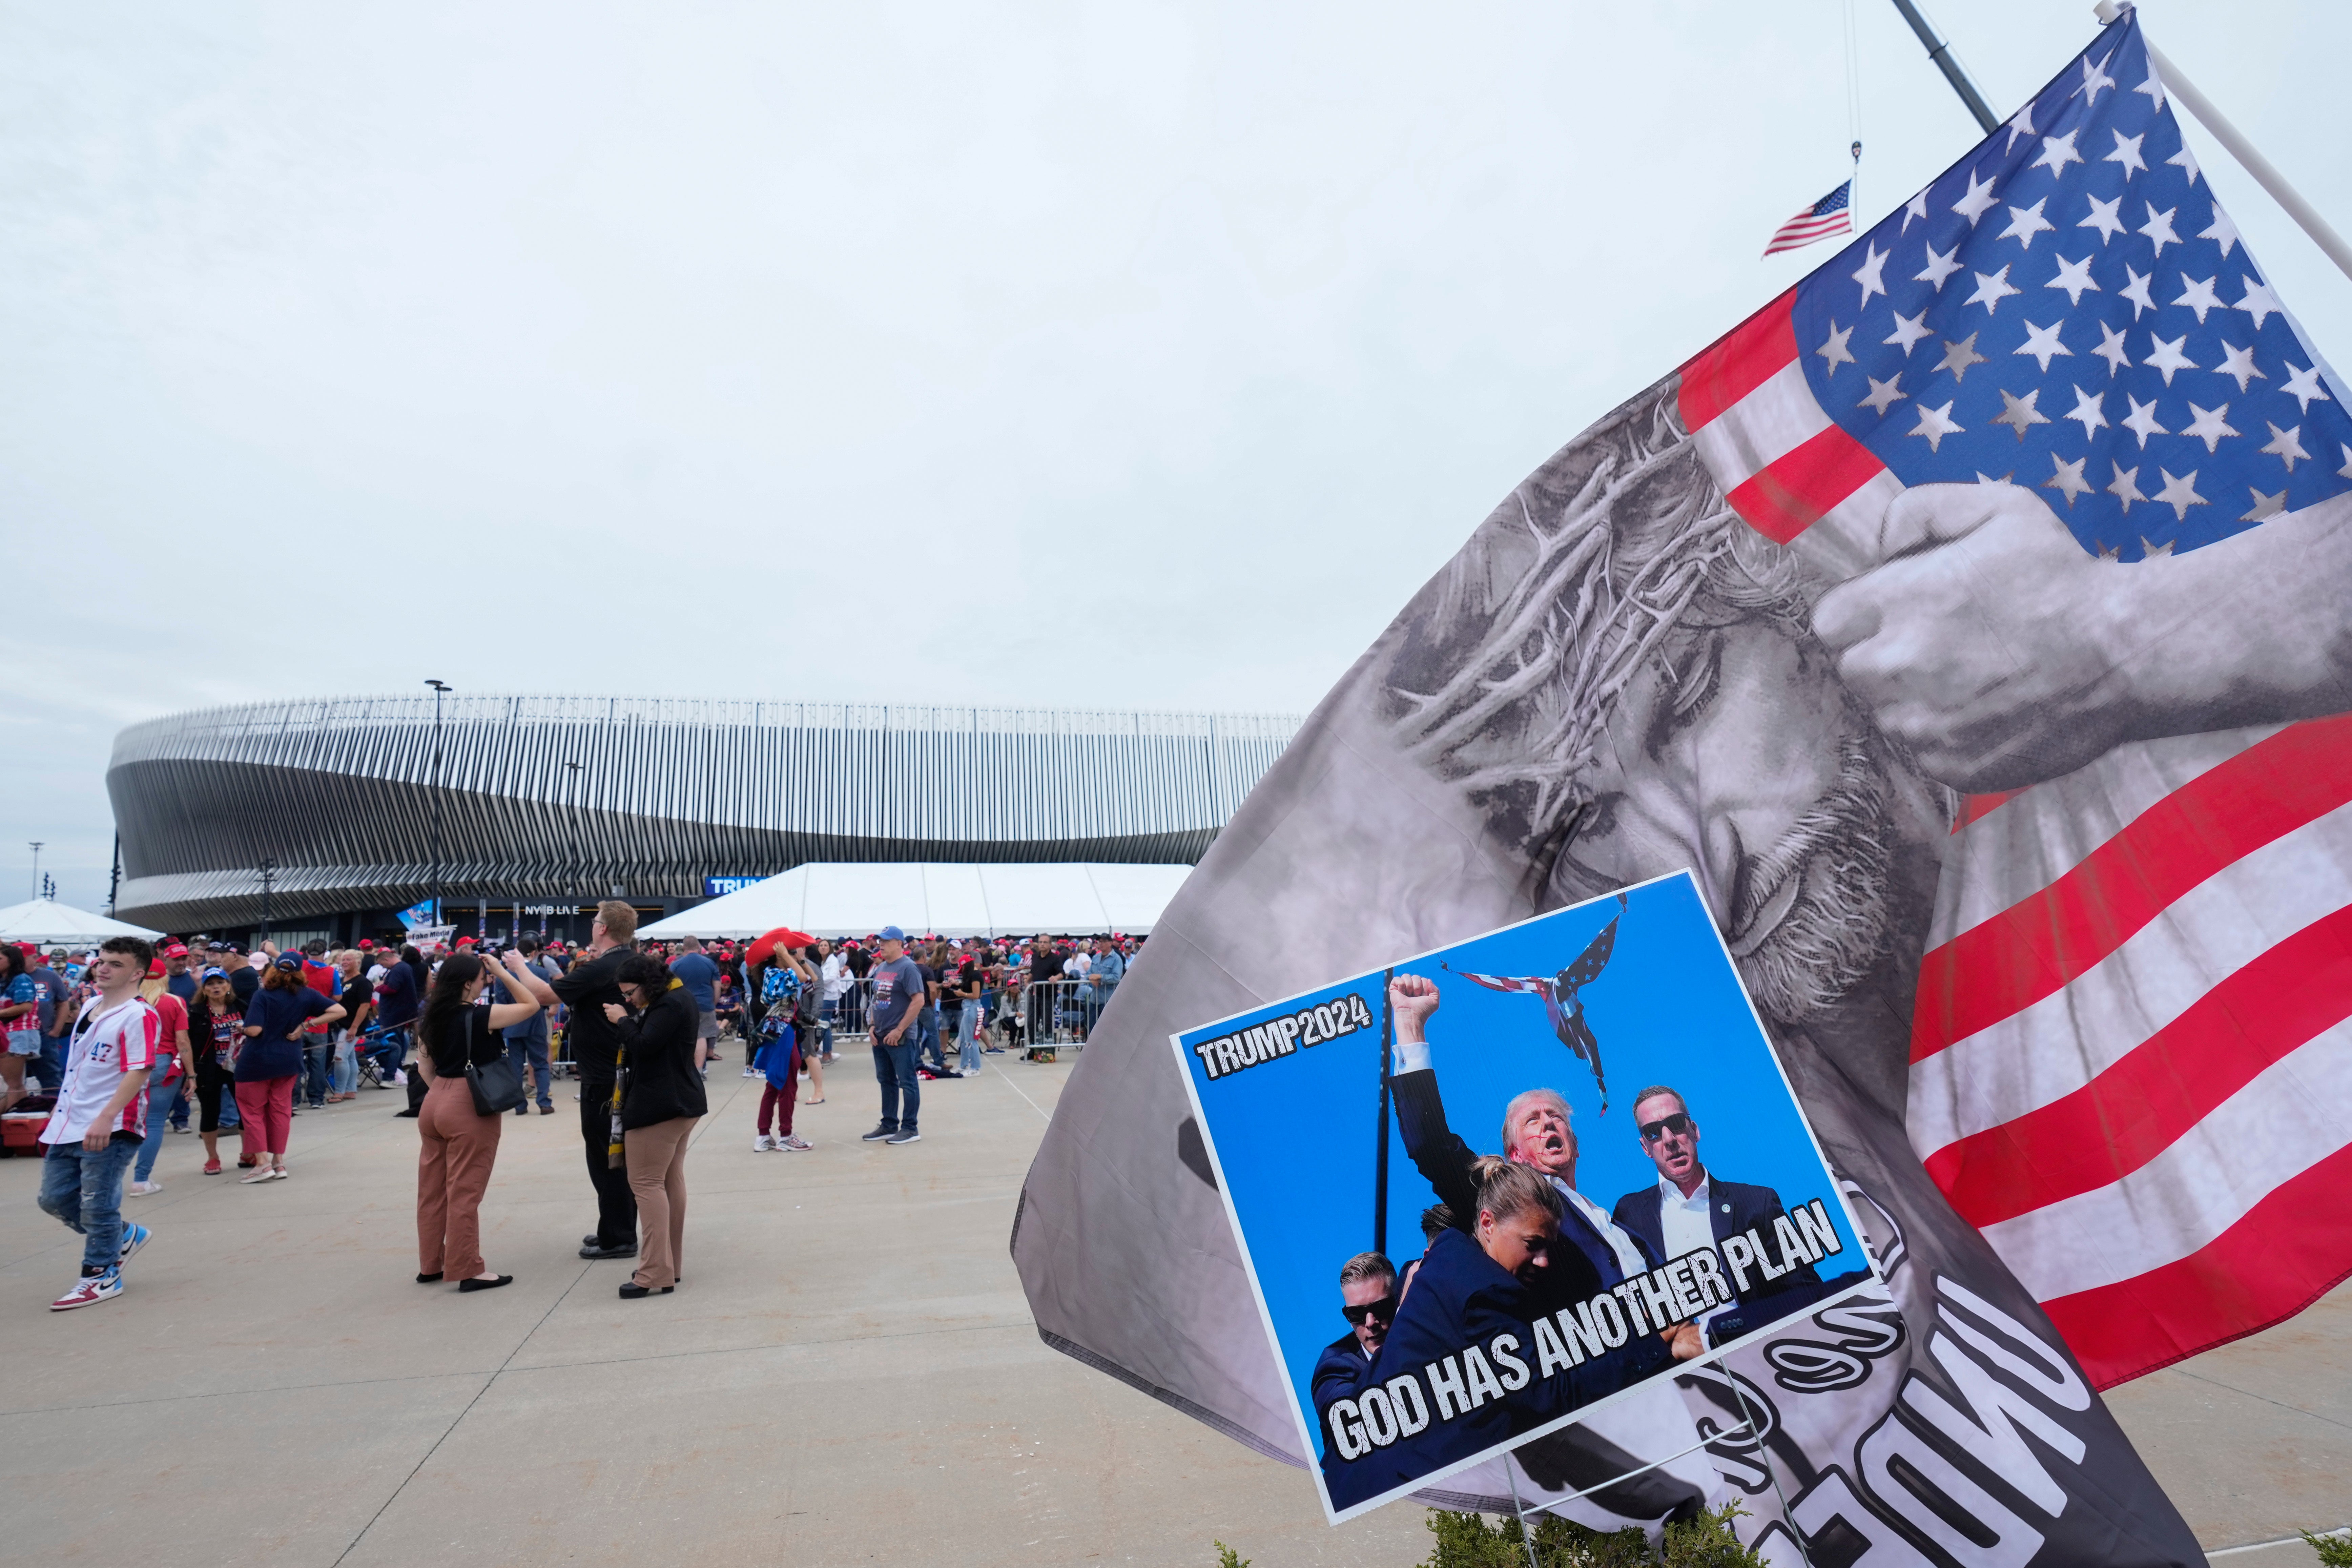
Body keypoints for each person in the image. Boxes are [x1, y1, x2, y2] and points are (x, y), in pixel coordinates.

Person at [1386, 973, 1692, 1363]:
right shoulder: (1508, 1201)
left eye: (1556, 1117)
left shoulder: (1618, 1223)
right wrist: (1411, 1025)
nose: (1549, 1123)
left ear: (1576, 1146)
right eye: (1533, 1120)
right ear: (1514, 1154)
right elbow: (1430, 1143)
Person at [1326, 1162, 1625, 1509]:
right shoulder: (1487, 1291)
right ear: (1487, 1223)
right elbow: (1549, 1391)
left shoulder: (1448, 1256)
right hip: (1398, 1494)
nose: (1544, 1261)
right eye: (1533, 1244)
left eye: (1549, 1247)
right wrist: (1655, 1343)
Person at [1608, 1085, 1817, 1334]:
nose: (1669, 1140)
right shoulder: (1630, 1215)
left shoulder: (1756, 1203)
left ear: (1694, 1131)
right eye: (1654, 1132)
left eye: (1676, 1124)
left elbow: (1807, 1292)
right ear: (1645, 1148)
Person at [414, 948, 554, 1292]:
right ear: (466, 984)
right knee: (465, 1190)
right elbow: (532, 1004)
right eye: (481, 979)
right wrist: (504, 972)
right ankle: (467, 1268)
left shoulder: (430, 1016)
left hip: (434, 1102)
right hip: (467, 1103)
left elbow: (424, 1067)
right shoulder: (479, 1015)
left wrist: (444, 1094)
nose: (484, 983)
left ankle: (432, 1263)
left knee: (432, 1190)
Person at [37, 936, 159, 1311]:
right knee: (54, 1198)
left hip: (111, 1124)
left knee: (97, 1204)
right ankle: (123, 1235)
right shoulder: (91, 1004)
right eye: (101, 961)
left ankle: (101, 1273)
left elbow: (140, 1069)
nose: (103, 968)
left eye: (115, 964)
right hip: (69, 1121)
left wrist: (107, 1116)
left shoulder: (139, 1014)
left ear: (137, 973)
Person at [604, 952, 705, 1297]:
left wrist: (623, 1020)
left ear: (647, 984)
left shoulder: (668, 1005)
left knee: (646, 1184)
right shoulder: (678, 997)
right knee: (667, 1181)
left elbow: (645, 1046)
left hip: (659, 1105)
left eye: (630, 992)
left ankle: (653, 1271)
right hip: (680, 1101)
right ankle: (668, 1264)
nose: (627, 999)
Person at [553, 900, 640, 1260]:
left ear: (603, 928)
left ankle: (619, 1236)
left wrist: (510, 968)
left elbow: (548, 994)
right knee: (612, 1155)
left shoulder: (603, 966)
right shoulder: (628, 962)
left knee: (606, 1157)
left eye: (595, 920)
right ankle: (615, 1227)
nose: (592, 925)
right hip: (615, 1070)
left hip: (604, 1077)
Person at [233, 953, 347, 1182]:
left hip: (257, 1060)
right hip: (289, 1060)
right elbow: (340, 1011)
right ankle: (278, 1162)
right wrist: (306, 1025)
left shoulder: (263, 995)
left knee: (252, 1112)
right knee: (281, 1111)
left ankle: (262, 1164)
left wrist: (241, 1028)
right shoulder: (307, 994)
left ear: (273, 970)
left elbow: (255, 1030)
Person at [1311, 1251, 1396, 1463]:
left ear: (1399, 1301)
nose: (1370, 1322)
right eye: (1357, 1314)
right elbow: (1357, 1418)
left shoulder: (1425, 1340)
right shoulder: (1333, 1368)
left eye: (1381, 1308)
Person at [125, 964, 190, 1195]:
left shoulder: (128, 1003)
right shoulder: (173, 1002)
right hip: (164, 1063)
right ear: (164, 977)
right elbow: (182, 1041)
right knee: (153, 1122)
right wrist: (191, 1074)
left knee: (122, 1122)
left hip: (131, 1064)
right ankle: (141, 1180)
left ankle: (104, 1180)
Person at [861, 926, 926, 1146]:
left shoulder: (908, 968)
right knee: (886, 1081)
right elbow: (875, 1000)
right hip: (880, 1036)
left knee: (907, 1082)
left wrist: (899, 1030)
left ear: (900, 944)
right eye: (880, 941)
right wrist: (871, 1025)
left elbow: (918, 1001)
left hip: (900, 1038)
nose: (881, 944)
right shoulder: (881, 969)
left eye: (887, 941)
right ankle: (889, 1125)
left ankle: (910, 1128)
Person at [184, 968, 244, 1174]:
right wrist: (190, 1073)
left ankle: (248, 1152)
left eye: (220, 983)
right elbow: (187, 1043)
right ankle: (213, 1158)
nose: (216, 987)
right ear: (204, 988)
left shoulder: (240, 1006)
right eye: (210, 984)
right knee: (210, 1111)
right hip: (209, 1068)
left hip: (238, 1068)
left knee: (245, 1110)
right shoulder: (196, 1011)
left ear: (228, 986)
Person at [494, 934, 557, 1116]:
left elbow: (501, 1002)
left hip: (513, 1024)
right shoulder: (542, 973)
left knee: (515, 1066)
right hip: (536, 1023)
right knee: (541, 1064)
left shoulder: (505, 975)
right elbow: (547, 998)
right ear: (533, 953)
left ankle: (520, 1106)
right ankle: (544, 1102)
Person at [669, 935, 722, 1067]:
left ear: (684, 948)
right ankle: (700, 1069)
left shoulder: (676, 965)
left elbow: (669, 987)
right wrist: (714, 1003)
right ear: (699, 947)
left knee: (685, 1036)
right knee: (701, 1036)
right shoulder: (709, 963)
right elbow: (717, 986)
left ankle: (687, 1067)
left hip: (683, 1005)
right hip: (705, 1004)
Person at [329, 950, 372, 1101]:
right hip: (338, 1024)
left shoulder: (363, 982)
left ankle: (339, 1092)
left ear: (358, 962)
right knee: (350, 1057)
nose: (344, 962)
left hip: (352, 1025)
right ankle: (351, 1090)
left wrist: (354, 1028)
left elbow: (365, 1006)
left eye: (348, 960)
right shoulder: (341, 980)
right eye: (343, 960)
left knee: (340, 1057)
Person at [1, 945, 39, 1113]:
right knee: (12, 1082)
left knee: (12, 1083)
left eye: (0, 959)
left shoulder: (21, 979)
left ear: (12, 961)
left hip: (18, 1033)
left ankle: (10, 1122)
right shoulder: (4, 980)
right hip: (8, 1033)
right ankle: (17, 1118)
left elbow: (26, 1006)